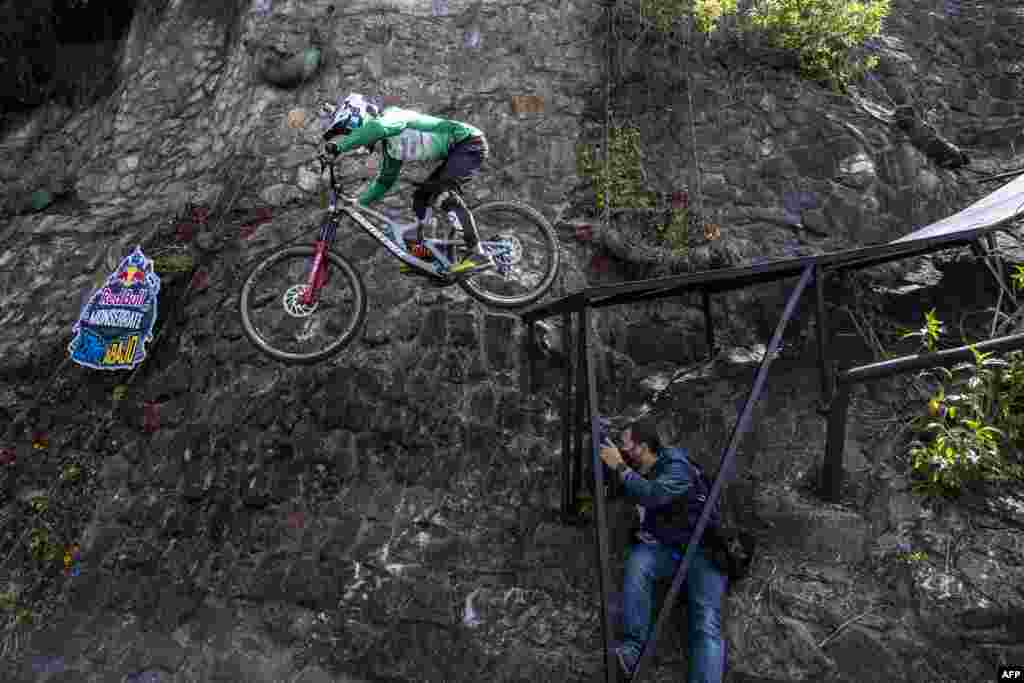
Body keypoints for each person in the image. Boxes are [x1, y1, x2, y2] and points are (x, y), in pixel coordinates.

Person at [598, 416, 727, 683]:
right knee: (638, 564)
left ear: (643, 448)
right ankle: (633, 652)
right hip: (669, 549)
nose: (622, 451)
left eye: (626, 445)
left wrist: (621, 468)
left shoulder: (676, 465)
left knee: (706, 623)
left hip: (703, 551)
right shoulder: (644, 470)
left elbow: (655, 495)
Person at [321, 92, 494, 275]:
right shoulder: (391, 148)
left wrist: (339, 147)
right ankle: (435, 259)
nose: (355, 136)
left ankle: (477, 253)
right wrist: (358, 203)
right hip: (455, 152)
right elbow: (384, 182)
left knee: (442, 192)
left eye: (352, 130)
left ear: (362, 120)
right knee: (420, 199)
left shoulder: (393, 117)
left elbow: (377, 128)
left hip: (469, 143)